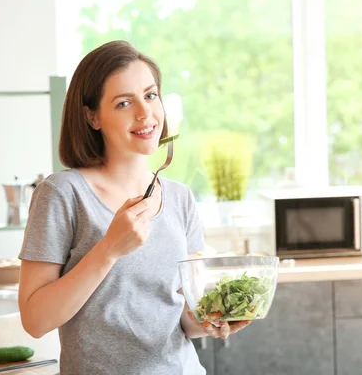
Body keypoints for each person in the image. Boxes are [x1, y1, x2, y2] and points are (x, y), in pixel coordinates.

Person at [17, 40, 250, 374]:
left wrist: (210, 322)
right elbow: (35, 320)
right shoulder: (62, 194)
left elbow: (183, 315)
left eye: (151, 95)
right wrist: (109, 249)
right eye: (124, 102)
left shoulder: (179, 198)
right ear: (91, 116)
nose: (145, 113)